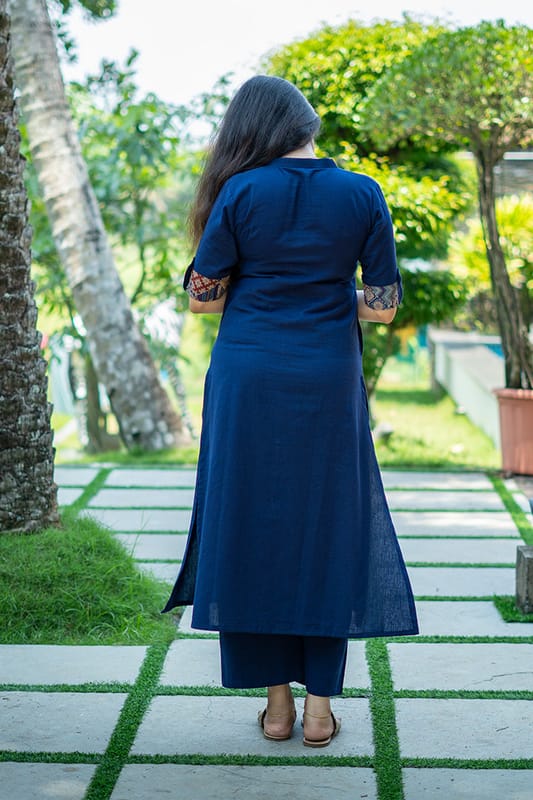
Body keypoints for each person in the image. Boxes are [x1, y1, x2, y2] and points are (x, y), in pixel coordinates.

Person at [163, 75, 419, 747]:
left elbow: (202, 297)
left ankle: (276, 710)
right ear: (307, 126)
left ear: (254, 129)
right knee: (327, 525)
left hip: (247, 376)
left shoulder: (241, 191)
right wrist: (327, 297)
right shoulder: (362, 192)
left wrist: (261, 290)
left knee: (253, 523)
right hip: (326, 378)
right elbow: (382, 306)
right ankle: (320, 711)